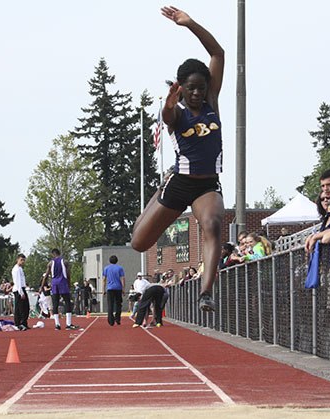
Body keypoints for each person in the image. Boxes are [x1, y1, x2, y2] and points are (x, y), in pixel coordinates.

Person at [131, 6, 225, 312]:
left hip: (207, 185)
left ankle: (206, 292)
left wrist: (190, 24)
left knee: (212, 224)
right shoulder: (176, 111)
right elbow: (167, 115)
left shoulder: (211, 101)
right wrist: (169, 104)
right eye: (191, 88)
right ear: (180, 87)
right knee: (139, 243)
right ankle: (155, 198)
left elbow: (218, 53)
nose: (197, 93)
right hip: (180, 183)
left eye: (201, 87)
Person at [41, 248, 79, 330]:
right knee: (67, 302)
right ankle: (68, 324)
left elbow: (46, 275)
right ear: (59, 253)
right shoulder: (65, 262)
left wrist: (41, 286)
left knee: (55, 303)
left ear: (52, 254)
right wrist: (69, 284)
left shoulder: (50, 263)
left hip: (54, 283)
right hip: (63, 282)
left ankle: (57, 325)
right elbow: (68, 274)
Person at [102, 255, 125, 326]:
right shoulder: (120, 268)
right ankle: (117, 318)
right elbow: (122, 279)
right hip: (118, 288)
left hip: (110, 288)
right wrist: (123, 289)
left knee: (110, 305)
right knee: (118, 304)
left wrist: (103, 289)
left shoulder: (106, 268)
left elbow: (104, 279)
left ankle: (111, 321)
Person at [11, 254, 29, 331]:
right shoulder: (16, 269)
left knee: (23, 307)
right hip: (19, 289)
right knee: (21, 308)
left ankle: (22, 322)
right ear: (17, 259)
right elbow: (17, 281)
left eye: (23, 260)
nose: (22, 262)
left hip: (21, 288)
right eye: (21, 260)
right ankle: (20, 323)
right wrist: (21, 292)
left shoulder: (20, 269)